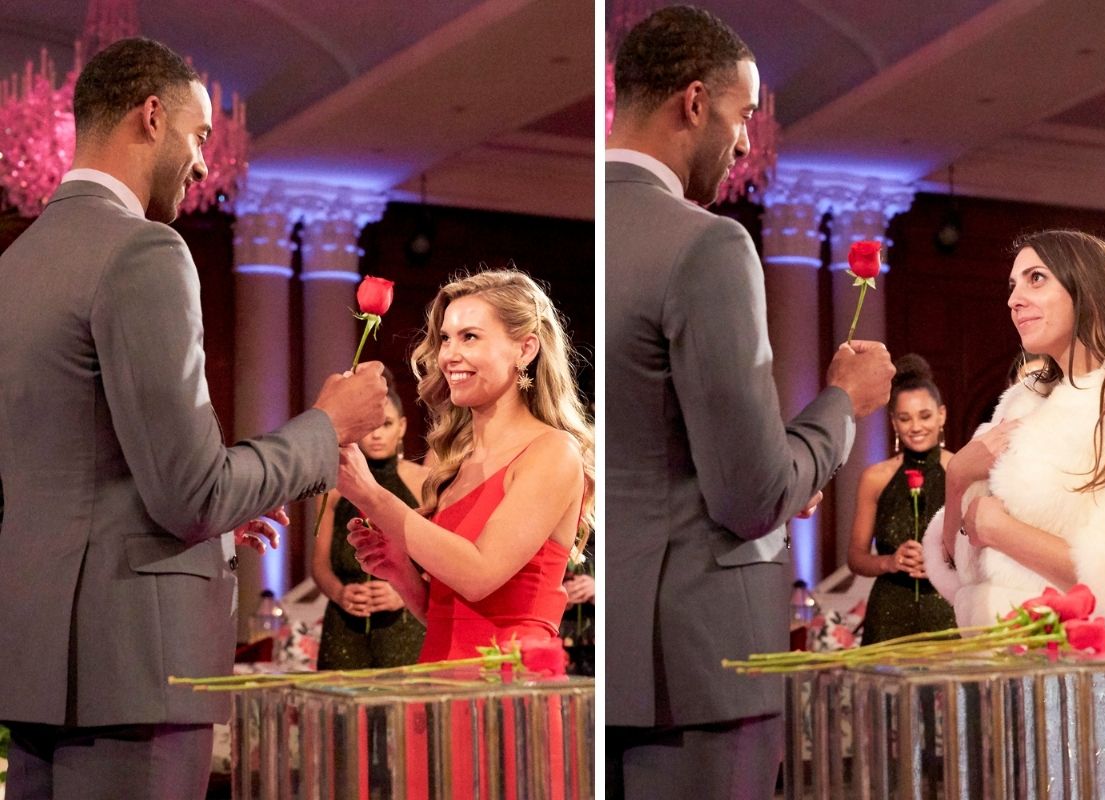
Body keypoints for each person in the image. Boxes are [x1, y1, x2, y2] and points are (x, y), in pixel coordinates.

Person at [0, 37, 388, 800]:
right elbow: (192, 492)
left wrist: (207, 511)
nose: (205, 164)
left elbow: (66, 474)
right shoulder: (146, 250)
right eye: (199, 134)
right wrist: (324, 426)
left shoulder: (15, 267)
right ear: (151, 116)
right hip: (136, 670)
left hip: (35, 665)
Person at [604, 7, 895, 799]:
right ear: (694, 103)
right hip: (700, 668)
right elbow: (753, 495)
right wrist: (841, 404)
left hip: (606, 654)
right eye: (740, 115)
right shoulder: (706, 243)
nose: (742, 141)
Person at [923, 229, 1105, 671]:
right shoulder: (1021, 402)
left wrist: (1001, 531)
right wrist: (957, 478)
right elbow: (961, 573)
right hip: (1002, 673)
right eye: (1012, 285)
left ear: (1086, 288)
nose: (1014, 299)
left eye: (1035, 278)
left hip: (1096, 685)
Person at [341, 269, 594, 662]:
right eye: (445, 339)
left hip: (509, 689)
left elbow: (478, 576)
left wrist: (372, 496)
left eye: (469, 337)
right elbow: (445, 615)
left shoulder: (552, 451)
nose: (448, 356)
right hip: (439, 683)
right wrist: (401, 573)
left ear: (525, 350)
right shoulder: (453, 462)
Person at [313, 386, 428, 668]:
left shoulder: (424, 481)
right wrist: (340, 593)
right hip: (344, 627)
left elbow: (438, 561)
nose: (376, 434)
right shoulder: (333, 485)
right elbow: (319, 565)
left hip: (404, 625)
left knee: (404, 710)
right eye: (370, 426)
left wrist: (405, 594)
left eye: (386, 424)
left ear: (401, 428)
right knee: (338, 710)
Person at [847, 354, 957, 644]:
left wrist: (941, 562)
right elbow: (856, 558)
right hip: (888, 616)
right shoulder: (875, 477)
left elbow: (980, 551)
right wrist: (890, 562)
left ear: (941, 415)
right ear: (893, 422)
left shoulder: (960, 471)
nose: (915, 427)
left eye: (925, 416)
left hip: (945, 612)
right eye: (905, 418)